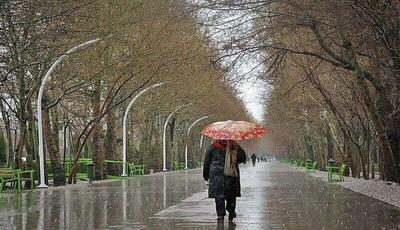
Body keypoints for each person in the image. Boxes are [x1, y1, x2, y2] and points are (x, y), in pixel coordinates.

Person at [203, 140, 246, 223]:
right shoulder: (234, 145)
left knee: (219, 196)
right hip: (231, 174)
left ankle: (220, 215)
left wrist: (206, 176)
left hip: (216, 175)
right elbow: (242, 158)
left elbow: (207, 162)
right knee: (231, 194)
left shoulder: (212, 147)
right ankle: (231, 211)